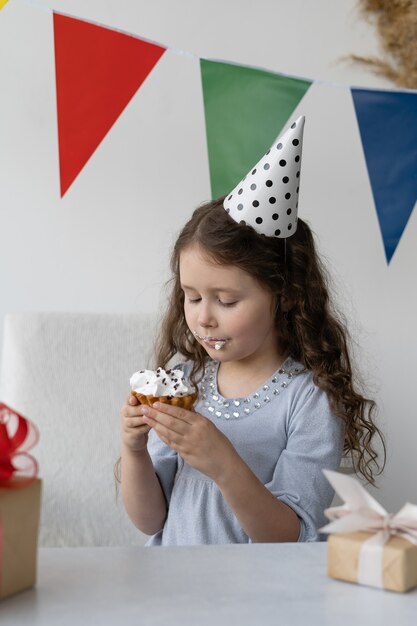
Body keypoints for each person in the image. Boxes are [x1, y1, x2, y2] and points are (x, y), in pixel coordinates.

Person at [118, 116, 385, 545]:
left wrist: (224, 464)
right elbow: (150, 522)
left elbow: (288, 537)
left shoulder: (309, 400)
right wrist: (133, 451)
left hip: (258, 602)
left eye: (226, 301)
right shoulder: (185, 384)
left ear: (286, 295)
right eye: (191, 296)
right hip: (176, 595)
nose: (204, 318)